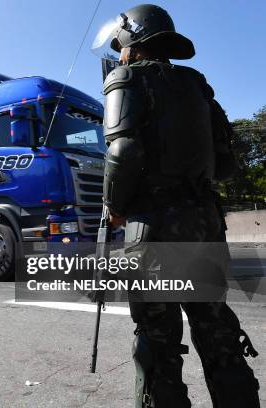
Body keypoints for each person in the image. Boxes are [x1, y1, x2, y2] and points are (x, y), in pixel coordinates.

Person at [98, 4, 260, 407]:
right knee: (217, 332)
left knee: (158, 343)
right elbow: (225, 164)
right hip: (205, 225)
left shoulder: (126, 78)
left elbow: (122, 152)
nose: (119, 53)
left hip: (153, 230)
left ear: (132, 42)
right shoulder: (197, 86)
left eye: (121, 46)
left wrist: (114, 206)